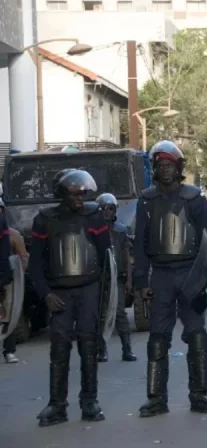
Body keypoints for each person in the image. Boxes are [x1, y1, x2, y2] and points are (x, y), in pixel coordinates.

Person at [134, 141, 207, 418]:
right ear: (155, 168)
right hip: (160, 275)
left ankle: (199, 395)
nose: (165, 169)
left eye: (170, 165)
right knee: (158, 338)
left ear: (179, 168)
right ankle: (156, 399)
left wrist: (206, 278)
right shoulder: (146, 200)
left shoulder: (194, 199)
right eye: (161, 165)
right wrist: (141, 282)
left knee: (196, 336)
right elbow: (140, 244)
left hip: (190, 273)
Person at [30, 170, 111, 426]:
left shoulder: (94, 216)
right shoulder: (45, 220)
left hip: (88, 290)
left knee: (89, 346)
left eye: (82, 193)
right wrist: (46, 294)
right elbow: (35, 264)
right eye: (74, 193)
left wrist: (105, 294)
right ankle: (57, 405)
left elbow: (106, 256)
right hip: (59, 293)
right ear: (62, 193)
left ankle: (89, 401)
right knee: (59, 349)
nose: (79, 198)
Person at [95, 193, 137, 363]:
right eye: (103, 208)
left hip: (117, 278)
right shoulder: (93, 231)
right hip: (99, 279)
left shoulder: (121, 230)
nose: (107, 212)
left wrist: (129, 280)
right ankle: (101, 350)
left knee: (120, 313)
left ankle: (127, 349)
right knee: (100, 314)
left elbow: (126, 257)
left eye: (110, 208)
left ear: (115, 210)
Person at [1, 198, 26, 364]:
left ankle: (9, 350)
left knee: (9, 314)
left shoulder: (13, 235)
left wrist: (18, 276)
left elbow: (22, 258)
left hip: (7, 278)